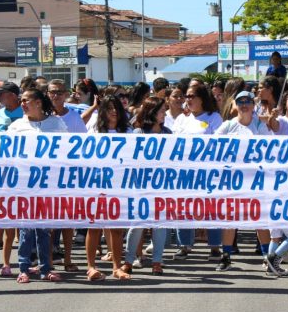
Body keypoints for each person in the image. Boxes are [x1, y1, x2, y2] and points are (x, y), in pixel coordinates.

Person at [9, 88, 68, 283]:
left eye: (27, 100)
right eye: (21, 100)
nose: (23, 104)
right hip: (24, 183)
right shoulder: (17, 126)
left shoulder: (56, 123)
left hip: (48, 184)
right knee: (26, 228)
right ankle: (24, 268)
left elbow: (67, 149)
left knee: (44, 228)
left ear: (39, 102)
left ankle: (46, 268)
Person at [214, 91, 273, 272]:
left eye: (248, 101)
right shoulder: (228, 126)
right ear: (235, 105)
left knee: (259, 219)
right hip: (233, 180)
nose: (244, 105)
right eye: (240, 101)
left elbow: (270, 149)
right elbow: (212, 145)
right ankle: (226, 257)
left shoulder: (260, 126)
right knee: (230, 219)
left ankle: (267, 257)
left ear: (253, 105)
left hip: (255, 180)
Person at [171, 84, 224, 260]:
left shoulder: (214, 118)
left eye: (192, 96)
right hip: (184, 172)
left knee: (211, 209)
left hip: (207, 172)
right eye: (187, 96)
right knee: (183, 208)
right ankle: (184, 244)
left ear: (202, 98)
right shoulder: (181, 120)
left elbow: (218, 144)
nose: (188, 99)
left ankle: (215, 246)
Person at [123, 97, 172, 275]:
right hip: (141, 186)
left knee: (159, 224)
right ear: (152, 113)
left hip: (161, 186)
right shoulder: (138, 134)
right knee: (137, 224)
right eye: (161, 111)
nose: (164, 114)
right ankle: (129, 260)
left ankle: (157, 261)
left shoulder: (168, 133)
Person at [85, 95, 132, 280]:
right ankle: (91, 267)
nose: (113, 111)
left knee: (116, 228)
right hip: (96, 183)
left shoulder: (127, 132)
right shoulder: (94, 130)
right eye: (109, 108)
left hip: (119, 184)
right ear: (102, 111)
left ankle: (116, 267)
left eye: (116, 108)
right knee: (94, 226)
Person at [47, 80, 86, 271]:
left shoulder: (75, 118)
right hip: (47, 175)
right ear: (47, 94)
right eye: (53, 92)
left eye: (60, 92)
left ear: (66, 95)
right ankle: (50, 254)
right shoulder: (42, 117)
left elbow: (84, 145)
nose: (56, 96)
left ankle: (68, 258)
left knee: (67, 220)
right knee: (49, 219)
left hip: (69, 174)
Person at [0, 81, 23, 261]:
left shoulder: (26, 113)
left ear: (12, 94)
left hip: (24, 170)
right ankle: (3, 240)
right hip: (3, 169)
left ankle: (24, 245)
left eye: (1, 93)